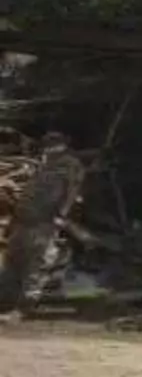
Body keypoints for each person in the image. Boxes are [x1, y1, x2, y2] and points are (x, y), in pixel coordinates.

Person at [0, 131, 85, 314]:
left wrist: (60, 216)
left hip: (43, 222)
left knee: (35, 264)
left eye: (52, 143)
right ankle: (5, 302)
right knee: (13, 261)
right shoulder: (45, 164)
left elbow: (72, 193)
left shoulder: (70, 165)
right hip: (23, 220)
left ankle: (24, 306)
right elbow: (29, 193)